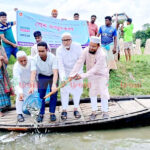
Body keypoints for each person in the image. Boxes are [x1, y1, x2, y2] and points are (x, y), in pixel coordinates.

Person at [69, 36, 110, 120]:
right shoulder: (86, 50)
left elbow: (96, 69)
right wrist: (72, 74)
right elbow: (79, 62)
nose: (91, 48)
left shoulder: (102, 54)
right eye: (90, 45)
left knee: (103, 92)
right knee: (92, 92)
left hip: (102, 74)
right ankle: (94, 111)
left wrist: (82, 75)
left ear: (98, 46)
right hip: (91, 75)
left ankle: (105, 112)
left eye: (93, 46)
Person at [29, 41, 58, 122]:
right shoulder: (34, 59)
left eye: (42, 51)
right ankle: (41, 113)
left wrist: (54, 84)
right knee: (41, 96)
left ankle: (52, 113)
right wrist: (31, 86)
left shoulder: (53, 57)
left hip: (52, 76)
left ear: (47, 50)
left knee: (53, 94)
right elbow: (33, 73)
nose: (40, 53)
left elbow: (55, 72)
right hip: (42, 76)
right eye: (39, 51)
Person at [56, 32, 83, 120]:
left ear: (71, 40)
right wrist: (63, 78)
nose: (66, 42)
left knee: (77, 91)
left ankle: (76, 109)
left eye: (68, 40)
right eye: (64, 40)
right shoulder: (59, 50)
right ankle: (64, 110)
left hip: (77, 73)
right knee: (64, 91)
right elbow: (60, 65)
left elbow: (80, 61)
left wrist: (77, 73)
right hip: (65, 73)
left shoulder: (78, 46)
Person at [13, 51, 34, 122]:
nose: (23, 63)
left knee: (32, 95)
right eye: (21, 61)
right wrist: (20, 92)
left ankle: (32, 111)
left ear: (27, 58)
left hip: (31, 81)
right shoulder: (16, 67)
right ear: (18, 61)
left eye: (25, 60)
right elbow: (17, 81)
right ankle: (19, 114)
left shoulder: (31, 59)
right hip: (20, 83)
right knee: (19, 96)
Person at [0, 39, 14, 117]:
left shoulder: (1, 47)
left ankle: (5, 107)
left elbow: (7, 61)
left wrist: (3, 59)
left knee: (3, 89)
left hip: (2, 72)